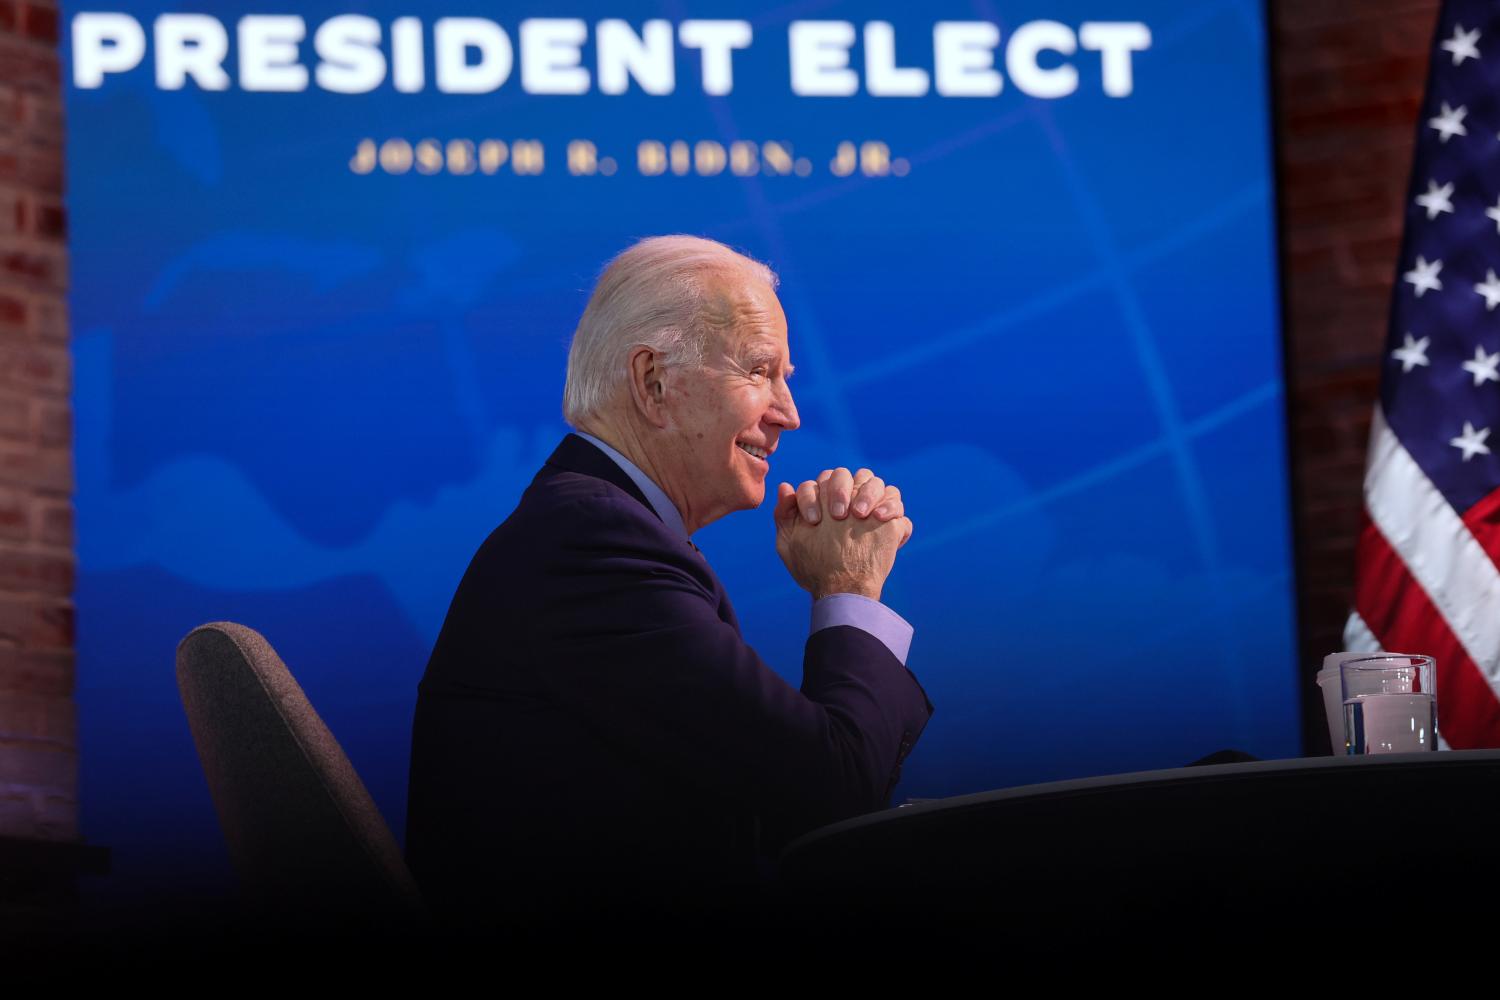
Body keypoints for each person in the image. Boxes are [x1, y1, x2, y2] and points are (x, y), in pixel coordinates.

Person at [404, 235, 933, 937]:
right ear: (653, 382)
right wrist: (849, 589)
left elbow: (777, 801)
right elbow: (830, 794)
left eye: (788, 376)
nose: (789, 412)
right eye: (761, 371)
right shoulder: (592, 547)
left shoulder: (591, 530)